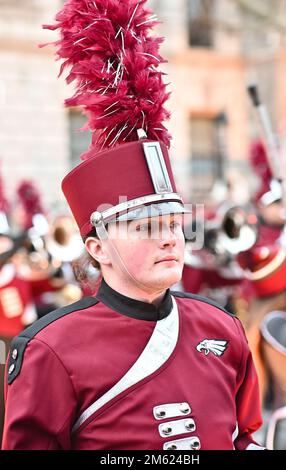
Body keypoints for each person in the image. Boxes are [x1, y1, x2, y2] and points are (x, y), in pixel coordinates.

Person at [2, 0, 264, 450]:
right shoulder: (50, 349)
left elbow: (245, 438)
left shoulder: (224, 330)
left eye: (173, 223)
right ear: (98, 247)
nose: (169, 238)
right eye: (145, 228)